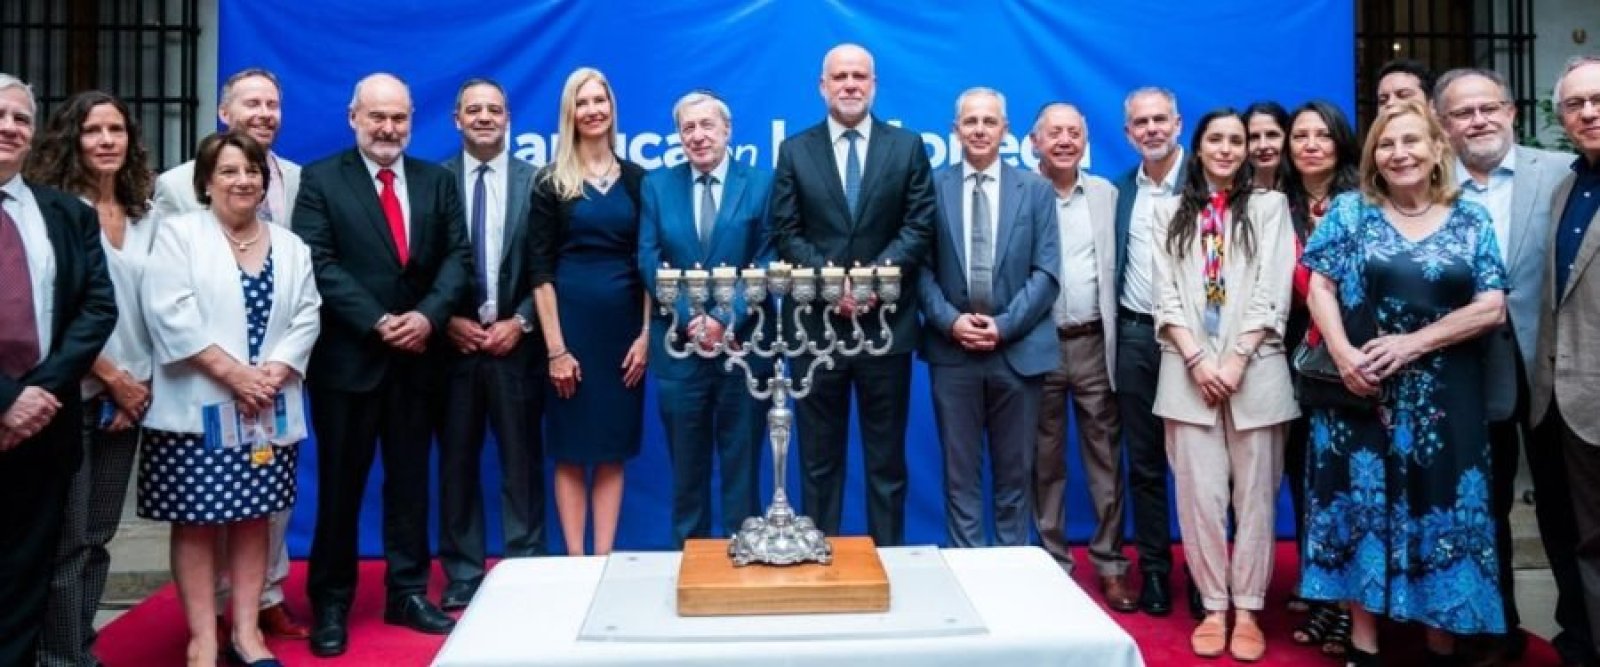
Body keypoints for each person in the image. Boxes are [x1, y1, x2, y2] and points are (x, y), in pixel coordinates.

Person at [1300, 100, 1508, 665]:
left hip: (1447, 402)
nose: (1399, 153)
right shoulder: (1350, 211)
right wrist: (1343, 356)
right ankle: (1363, 646)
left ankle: (1439, 640)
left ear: (1437, 149)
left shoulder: (1471, 219)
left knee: (1442, 511)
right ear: (1373, 157)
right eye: (1387, 145)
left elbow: (1492, 307)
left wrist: (1412, 344)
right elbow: (1319, 287)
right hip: (1362, 397)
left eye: (1411, 141)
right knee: (1364, 511)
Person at [293, 73, 470, 657]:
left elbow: (456, 258)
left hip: (420, 360)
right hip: (349, 362)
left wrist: (426, 317)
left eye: (398, 118)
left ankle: (407, 591)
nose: (389, 128)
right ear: (353, 117)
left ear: (412, 119)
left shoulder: (435, 181)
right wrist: (378, 321)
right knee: (342, 488)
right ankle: (332, 603)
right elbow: (318, 261)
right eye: (377, 117)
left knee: (410, 485)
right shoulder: (320, 180)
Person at [139, 130, 320, 667]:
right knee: (195, 521)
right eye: (230, 171)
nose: (243, 181)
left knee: (255, 518)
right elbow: (170, 311)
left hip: (265, 410)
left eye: (253, 172)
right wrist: (236, 376)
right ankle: (201, 638)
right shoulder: (178, 235)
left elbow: (307, 313)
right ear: (206, 181)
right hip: (198, 408)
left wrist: (274, 372)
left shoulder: (292, 245)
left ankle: (246, 632)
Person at [1436, 66, 1590, 665]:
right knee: (1482, 506)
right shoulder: (1425, 180)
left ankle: (1578, 628)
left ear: (1511, 111)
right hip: (1467, 375)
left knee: (1562, 507)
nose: (1478, 120)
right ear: (1443, 125)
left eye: (1488, 108)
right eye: (1462, 113)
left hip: (1554, 370)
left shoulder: (1559, 172)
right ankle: (1494, 628)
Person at [768, 43, 936, 547]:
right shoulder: (795, 151)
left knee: (886, 462)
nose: (849, 84)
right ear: (822, 86)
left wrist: (870, 281)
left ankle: (890, 560)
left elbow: (918, 223)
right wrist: (833, 281)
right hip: (816, 329)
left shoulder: (906, 147)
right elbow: (786, 231)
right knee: (819, 462)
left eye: (859, 76)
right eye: (839, 76)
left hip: (886, 328)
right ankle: (821, 555)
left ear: (874, 84)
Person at [1149, 108, 1297, 661]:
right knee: (1200, 501)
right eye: (1217, 139)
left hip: (1255, 373)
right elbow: (1164, 296)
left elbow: (1272, 290)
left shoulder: (1269, 206)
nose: (1228, 148)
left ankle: (1250, 609)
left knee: (1256, 499)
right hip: (1188, 376)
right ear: (1200, 146)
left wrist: (1234, 361)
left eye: (1238, 140)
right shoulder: (1166, 213)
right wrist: (1196, 359)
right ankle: (1214, 605)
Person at [23, 90, 156, 667]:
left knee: (99, 537)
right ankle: (59, 657)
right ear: (71, 139)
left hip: (130, 401)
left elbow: (156, 309)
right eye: (93, 131)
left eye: (116, 130)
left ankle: (81, 645)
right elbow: (61, 310)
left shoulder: (147, 211)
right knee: (68, 541)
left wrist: (135, 388)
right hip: (71, 395)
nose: (106, 141)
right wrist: (108, 375)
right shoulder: (53, 209)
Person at [0, 72, 117, 667]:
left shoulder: (66, 213)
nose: (8, 127)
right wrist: (4, 398)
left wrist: (39, 392)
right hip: (9, 411)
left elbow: (98, 307)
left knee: (27, 571)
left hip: (44, 427)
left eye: (21, 118)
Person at [919, 87, 1058, 548]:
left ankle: (1011, 578)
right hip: (952, 352)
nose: (979, 129)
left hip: (1017, 352)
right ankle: (969, 575)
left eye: (989, 121)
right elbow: (918, 269)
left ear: (1006, 130)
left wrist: (1003, 325)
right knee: (959, 478)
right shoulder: (930, 187)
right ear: (955, 130)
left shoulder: (1036, 189)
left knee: (1015, 477)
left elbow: (1047, 271)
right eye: (970, 121)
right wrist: (950, 321)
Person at [638, 90, 774, 546]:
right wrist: (690, 320)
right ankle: (690, 559)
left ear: (727, 130)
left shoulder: (760, 183)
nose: (697, 136)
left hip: (744, 348)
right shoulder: (656, 186)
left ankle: (745, 555)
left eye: (706, 126)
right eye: (687, 128)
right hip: (680, 352)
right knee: (687, 472)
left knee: (742, 466)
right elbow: (649, 260)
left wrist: (723, 319)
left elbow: (767, 257)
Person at [529, 67, 648, 556]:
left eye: (601, 100)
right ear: (570, 113)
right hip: (571, 331)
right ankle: (574, 565)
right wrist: (556, 349)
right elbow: (539, 270)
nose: (593, 110)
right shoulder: (550, 182)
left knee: (613, 449)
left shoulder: (640, 180)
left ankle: (602, 560)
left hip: (624, 335)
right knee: (572, 452)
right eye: (583, 102)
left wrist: (646, 335)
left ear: (612, 108)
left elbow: (649, 262)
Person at [436, 78, 545, 611]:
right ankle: (461, 569)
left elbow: (551, 264)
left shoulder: (537, 182)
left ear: (508, 118)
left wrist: (521, 322)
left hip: (515, 345)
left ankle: (524, 564)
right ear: (457, 119)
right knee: (456, 461)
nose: (484, 117)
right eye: (473, 110)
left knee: (521, 462)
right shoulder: (433, 182)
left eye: (494, 109)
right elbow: (417, 265)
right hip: (453, 347)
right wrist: (447, 319)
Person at [1029, 102, 1133, 610]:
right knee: (1045, 459)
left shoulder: (1107, 195)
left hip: (1094, 340)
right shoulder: (1022, 193)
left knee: (1105, 458)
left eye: (1074, 132)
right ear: (1035, 141)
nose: (1065, 141)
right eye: (1055, 133)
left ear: (1085, 140)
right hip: (1039, 342)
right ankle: (1052, 564)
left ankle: (1111, 563)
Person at [1280, 99, 1361, 655]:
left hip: (1351, 358)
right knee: (1305, 478)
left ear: (1340, 142)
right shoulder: (1274, 206)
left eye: (1321, 135)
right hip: (1289, 359)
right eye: (1299, 136)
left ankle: (1351, 604)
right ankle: (1321, 591)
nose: (1309, 144)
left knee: (1348, 485)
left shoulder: (1364, 202)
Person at [1531, 53, 1600, 666]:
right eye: (1575, 104)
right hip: (1556, 395)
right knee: (1570, 534)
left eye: (1598, 99)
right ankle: (1581, 642)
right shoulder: (1565, 187)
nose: (1588, 112)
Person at [1113, 86, 1185, 616]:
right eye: (1142, 123)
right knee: (1143, 464)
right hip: (1137, 337)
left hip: (1198, 346)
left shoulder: (1207, 186)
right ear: (1128, 133)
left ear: (1178, 124)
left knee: (1203, 466)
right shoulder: (1120, 192)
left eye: (1161, 119)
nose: (1152, 129)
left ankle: (1208, 579)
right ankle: (1156, 572)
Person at [1244, 101, 1290, 191]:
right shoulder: (1229, 197)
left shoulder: (1307, 194)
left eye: (1272, 135)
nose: (1262, 146)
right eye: (1254, 137)